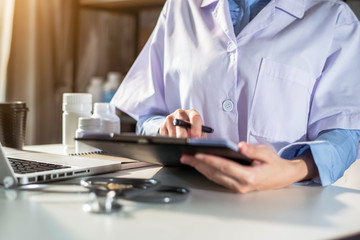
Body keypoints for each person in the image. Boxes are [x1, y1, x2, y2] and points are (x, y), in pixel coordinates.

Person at [111, 0, 360, 193]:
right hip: (183, 200)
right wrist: (166, 129)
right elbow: (147, 116)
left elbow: (346, 132)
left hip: (284, 207)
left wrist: (291, 170)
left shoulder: (332, 16)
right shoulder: (181, 6)